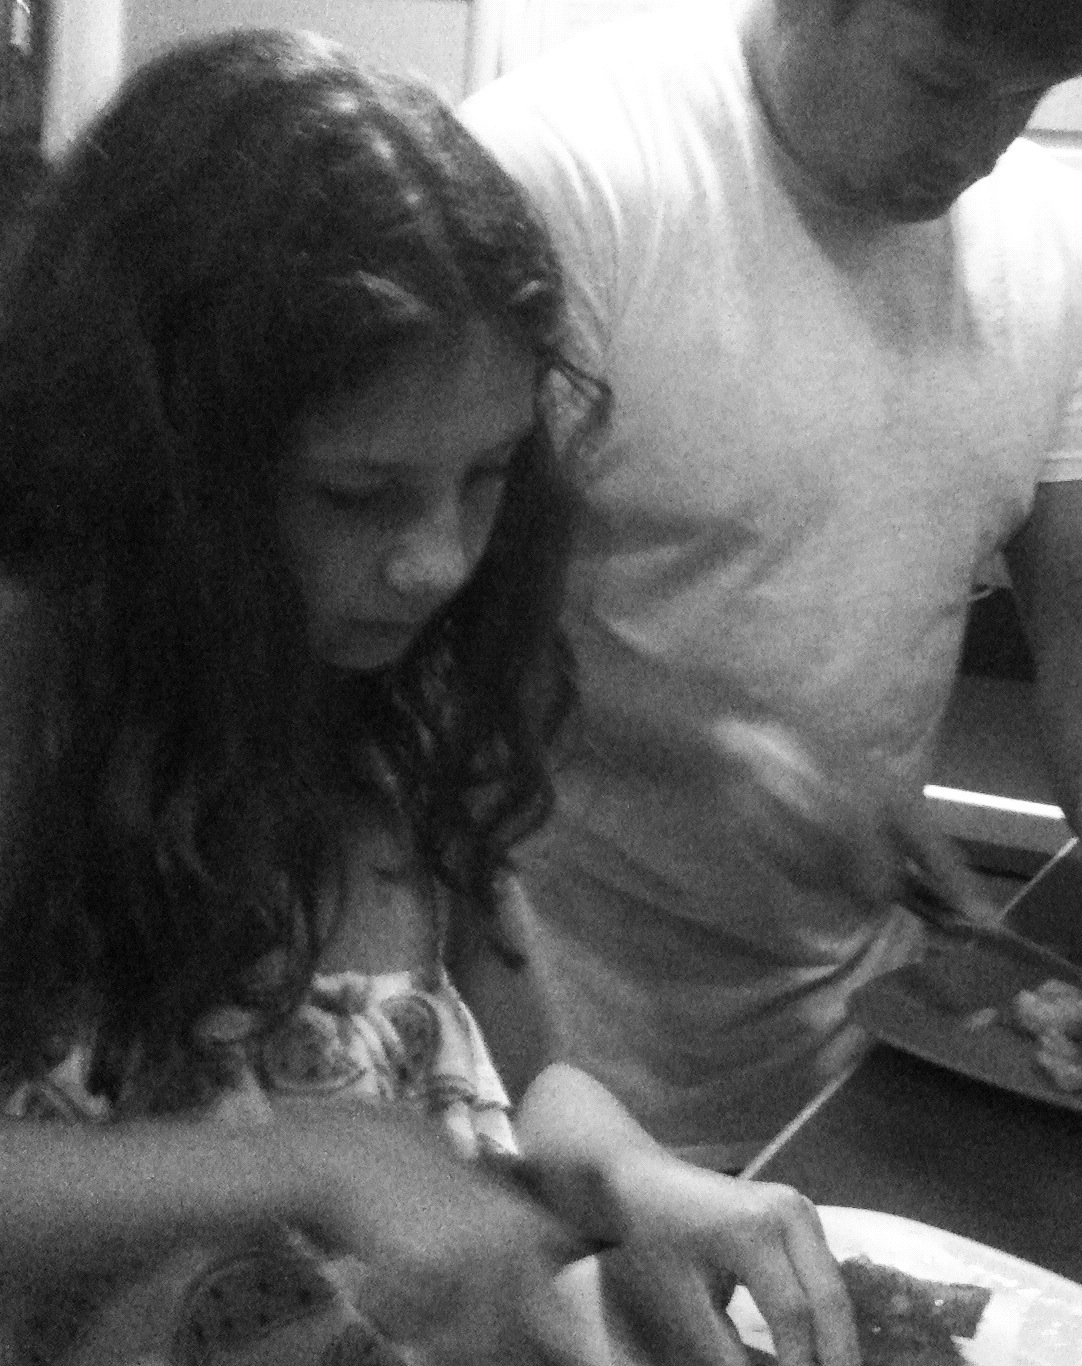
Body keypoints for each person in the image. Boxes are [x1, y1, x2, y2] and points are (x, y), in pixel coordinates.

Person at [0, 30, 858, 1366]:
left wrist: (631, 1181)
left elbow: (535, 1073)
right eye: (357, 494)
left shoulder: (395, 696)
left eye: (488, 473)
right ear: (155, 462)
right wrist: (303, 1158)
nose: (441, 561)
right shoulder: (31, 704)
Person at [459, 0, 1082, 1171]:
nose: (981, 148)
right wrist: (718, 744)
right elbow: (417, 611)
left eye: (1028, 98)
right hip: (538, 1044)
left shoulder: (1055, 243)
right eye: (941, 84)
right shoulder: (557, 175)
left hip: (852, 1042)